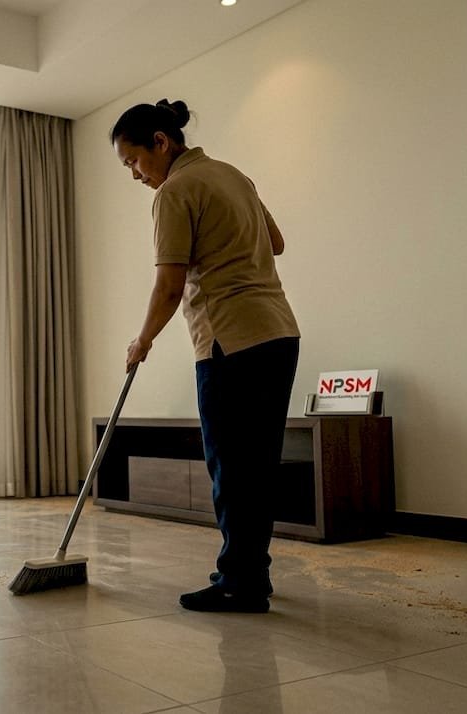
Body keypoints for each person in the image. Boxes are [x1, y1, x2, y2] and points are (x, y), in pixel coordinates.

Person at [113, 99, 300, 613]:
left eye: (133, 160)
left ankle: (240, 582)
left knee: (231, 467)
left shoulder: (174, 191)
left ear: (160, 141)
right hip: (279, 332)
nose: (135, 174)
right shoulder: (232, 175)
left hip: (230, 341)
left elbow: (170, 285)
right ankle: (248, 573)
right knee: (258, 463)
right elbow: (277, 243)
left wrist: (142, 339)